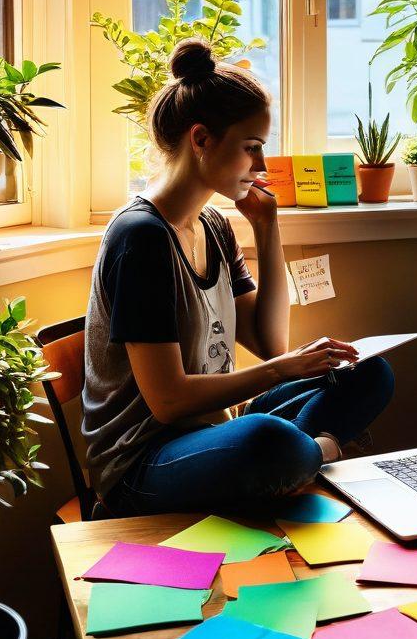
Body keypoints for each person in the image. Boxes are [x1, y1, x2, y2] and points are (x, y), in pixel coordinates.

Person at [82, 37, 394, 517]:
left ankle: (298, 458)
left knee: (369, 372)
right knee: (267, 440)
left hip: (214, 431)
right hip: (144, 463)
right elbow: (167, 401)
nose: (262, 166)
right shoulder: (141, 238)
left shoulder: (214, 225)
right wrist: (285, 369)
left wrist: (267, 228)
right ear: (202, 139)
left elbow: (270, 341)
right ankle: (317, 455)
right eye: (252, 148)